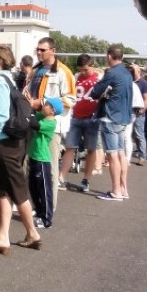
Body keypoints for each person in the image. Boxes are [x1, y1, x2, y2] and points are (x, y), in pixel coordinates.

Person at [0, 46, 42, 253]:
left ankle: (32, 234)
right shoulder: (8, 79)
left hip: (4, 145)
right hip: (10, 143)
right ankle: (3, 238)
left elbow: (0, 115)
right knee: (3, 190)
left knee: (17, 190)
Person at [25, 37, 76, 214]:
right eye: (37, 49)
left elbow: (70, 99)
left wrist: (43, 103)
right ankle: (37, 204)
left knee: (50, 169)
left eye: (43, 50)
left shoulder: (64, 72)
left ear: (53, 50)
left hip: (50, 127)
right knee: (33, 167)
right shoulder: (35, 70)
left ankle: (48, 208)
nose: (39, 53)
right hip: (33, 124)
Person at [90, 45, 134, 201]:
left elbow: (95, 92)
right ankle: (123, 188)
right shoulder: (127, 73)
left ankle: (115, 191)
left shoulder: (112, 73)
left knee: (112, 155)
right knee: (121, 154)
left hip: (111, 117)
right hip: (124, 117)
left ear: (109, 56)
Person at [59, 54, 100, 192]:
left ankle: (86, 179)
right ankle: (61, 178)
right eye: (81, 69)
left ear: (92, 66)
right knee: (69, 147)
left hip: (92, 119)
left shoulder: (99, 79)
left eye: (86, 70)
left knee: (91, 149)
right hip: (75, 117)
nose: (83, 72)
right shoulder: (75, 78)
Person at [28, 95, 62, 228]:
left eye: (47, 104)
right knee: (33, 187)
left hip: (42, 160)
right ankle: (39, 211)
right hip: (34, 156)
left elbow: (34, 124)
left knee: (44, 189)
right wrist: (30, 104)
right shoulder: (43, 116)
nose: (44, 105)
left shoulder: (51, 122)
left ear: (53, 111)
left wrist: (29, 108)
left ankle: (47, 218)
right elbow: (33, 114)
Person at [130, 64, 147, 164]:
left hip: (138, 112)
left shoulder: (143, 83)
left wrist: (142, 109)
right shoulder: (128, 82)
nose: (131, 72)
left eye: (133, 70)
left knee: (139, 134)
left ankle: (142, 156)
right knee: (128, 135)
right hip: (127, 111)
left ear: (138, 71)